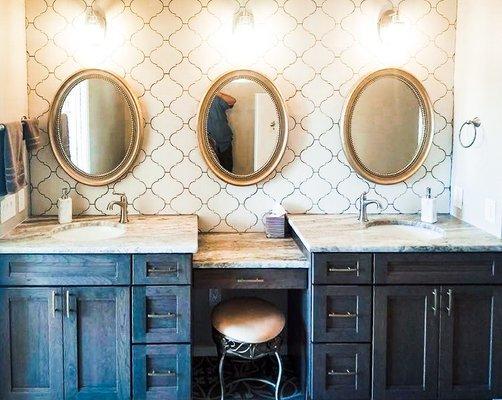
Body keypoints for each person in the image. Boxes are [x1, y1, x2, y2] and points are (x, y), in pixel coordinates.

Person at [206, 92, 236, 172]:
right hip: (206, 144)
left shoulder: (214, 98)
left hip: (224, 143)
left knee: (227, 171)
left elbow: (232, 101)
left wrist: (215, 92)